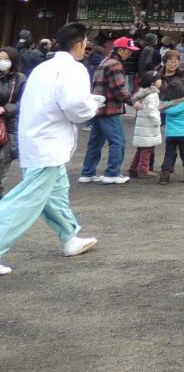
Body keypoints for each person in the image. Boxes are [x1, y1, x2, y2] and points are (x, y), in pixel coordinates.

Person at [0, 22, 100, 276]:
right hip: (49, 144)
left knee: (55, 192)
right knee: (27, 199)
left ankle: (70, 236)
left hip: (36, 139)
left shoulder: (43, 68)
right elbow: (75, 107)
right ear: (80, 44)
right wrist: (93, 105)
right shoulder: (73, 69)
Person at [79, 36, 137, 185]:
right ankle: (112, 173)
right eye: (128, 51)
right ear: (121, 50)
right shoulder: (116, 64)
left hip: (98, 108)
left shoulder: (104, 61)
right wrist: (132, 101)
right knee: (118, 142)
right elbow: (119, 88)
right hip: (110, 108)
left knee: (95, 142)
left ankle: (88, 173)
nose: (130, 54)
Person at [157, 80, 184, 184]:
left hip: (171, 134)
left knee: (169, 155)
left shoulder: (166, 105)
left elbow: (161, 112)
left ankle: (164, 176)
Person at [127, 70, 163, 179]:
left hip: (142, 124)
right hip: (148, 125)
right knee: (147, 148)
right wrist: (158, 122)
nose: (161, 81)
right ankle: (143, 168)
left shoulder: (142, 92)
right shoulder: (153, 95)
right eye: (159, 79)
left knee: (141, 148)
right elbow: (152, 111)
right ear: (153, 82)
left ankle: (133, 169)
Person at [0, 48, 24, 197]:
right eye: (0, 58)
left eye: (5, 58)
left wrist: (6, 109)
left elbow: (24, 101)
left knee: (2, 163)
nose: (2, 61)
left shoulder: (20, 79)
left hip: (8, 127)